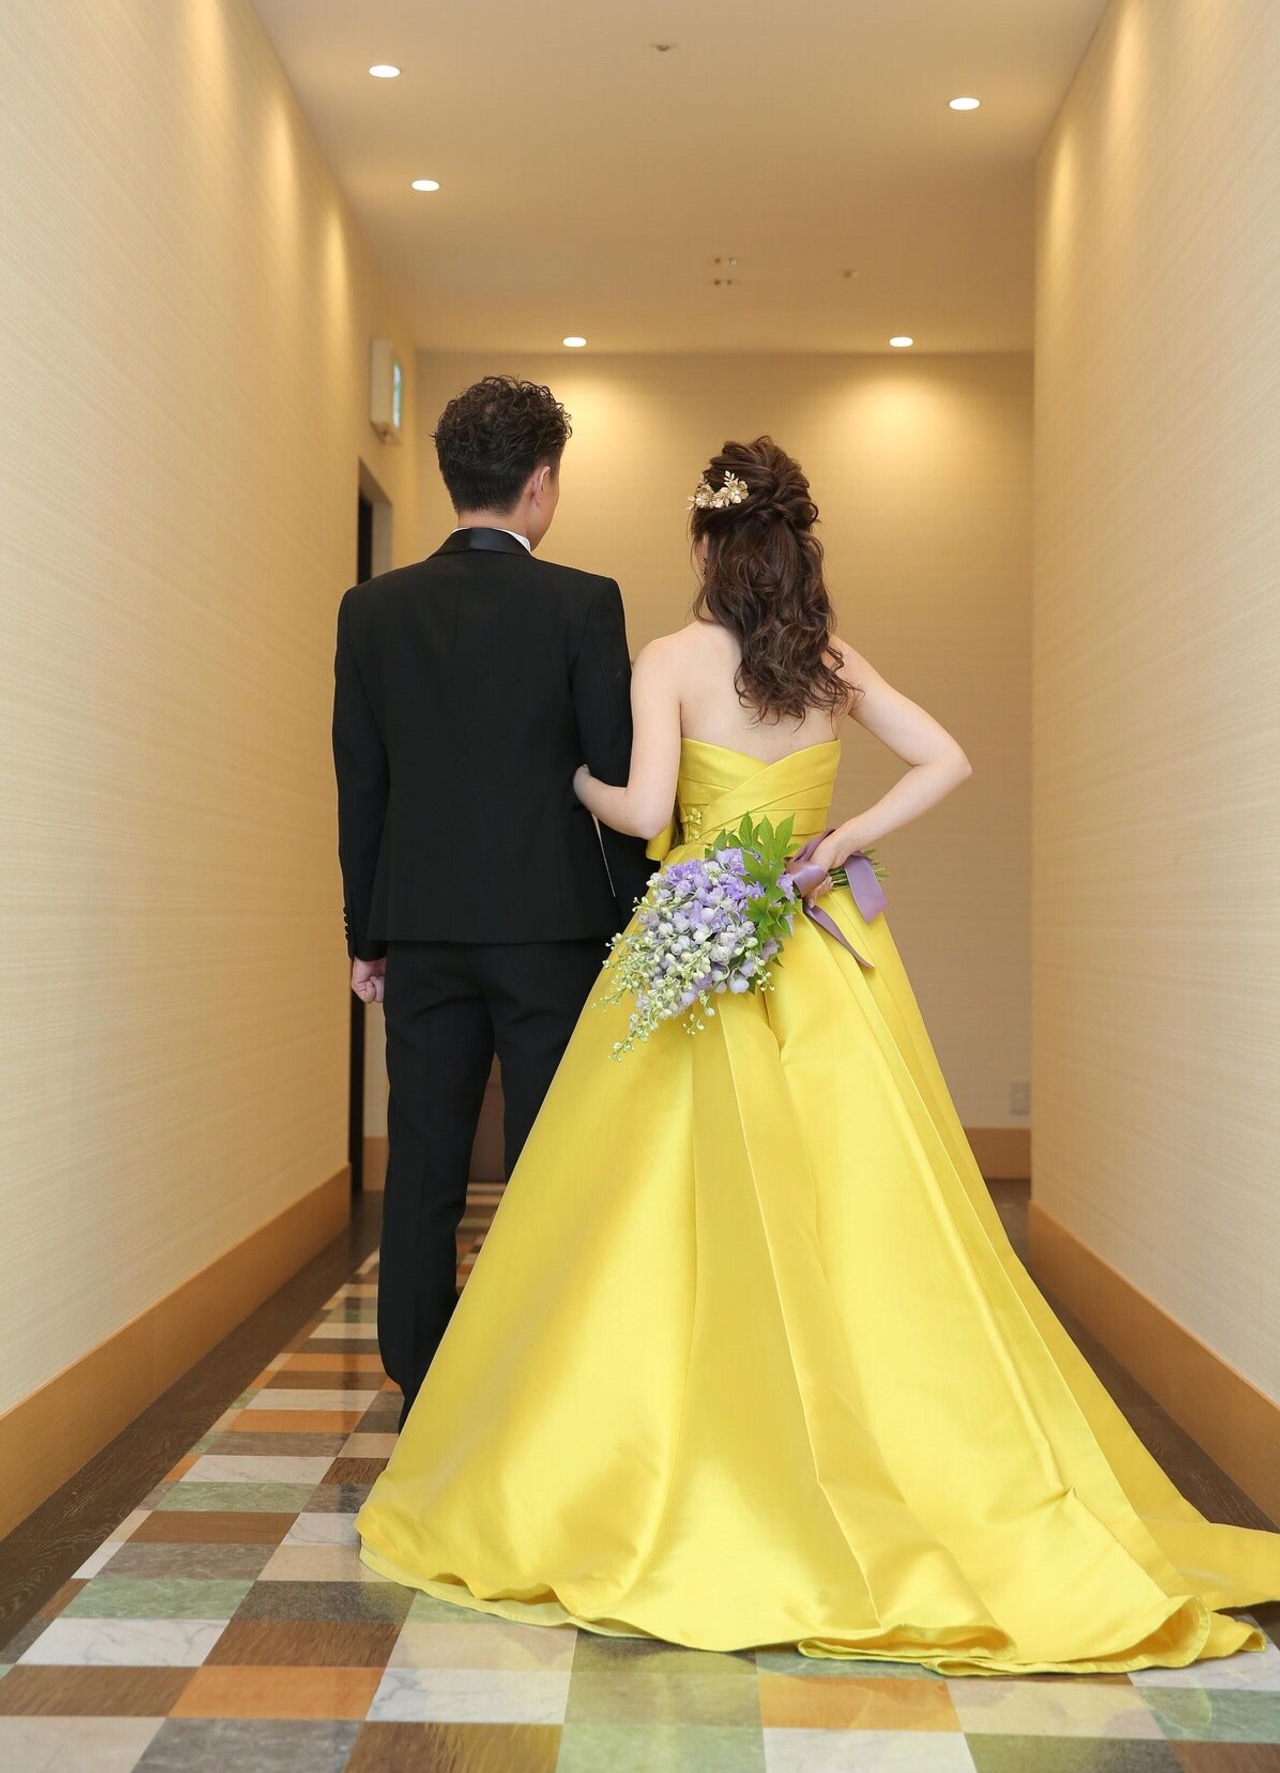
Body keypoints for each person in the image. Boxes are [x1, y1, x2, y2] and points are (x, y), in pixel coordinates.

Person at [354, 435, 1280, 1673]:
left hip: (692, 955)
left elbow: (644, 813)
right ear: (794, 550)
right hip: (817, 953)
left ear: (702, 546)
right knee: (853, 1206)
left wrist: (577, 780)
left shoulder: (668, 659)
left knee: (653, 1216)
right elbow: (947, 758)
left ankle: (680, 1449)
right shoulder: (828, 661)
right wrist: (838, 842)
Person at [332, 375, 650, 1426]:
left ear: (450, 477)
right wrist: (636, 920)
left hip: (422, 929)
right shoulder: (583, 602)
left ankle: (422, 1378)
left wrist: (367, 936)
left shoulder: (372, 611)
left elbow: (362, 784)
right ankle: (538, 1373)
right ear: (540, 483)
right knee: (547, 1157)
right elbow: (614, 774)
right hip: (552, 929)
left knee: (423, 1152)